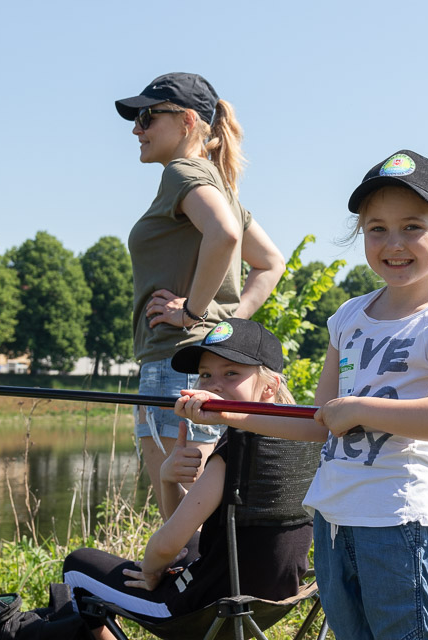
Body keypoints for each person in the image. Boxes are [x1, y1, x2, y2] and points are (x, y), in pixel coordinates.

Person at [177, 150, 428, 640]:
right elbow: (316, 421)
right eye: (377, 228)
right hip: (334, 518)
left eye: (412, 227)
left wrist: (359, 408)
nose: (393, 243)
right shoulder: (348, 318)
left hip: (399, 520)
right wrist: (230, 415)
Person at [63, 319, 313, 639]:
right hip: (273, 599)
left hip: (206, 608)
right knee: (190, 544)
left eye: (231, 373)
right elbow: (184, 528)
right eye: (206, 374)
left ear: (269, 386)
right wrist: (168, 479)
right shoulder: (305, 441)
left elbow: (167, 544)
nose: (213, 384)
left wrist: (151, 571)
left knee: (76, 564)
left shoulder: (239, 446)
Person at [115, 72, 285, 512]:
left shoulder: (182, 172)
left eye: (148, 116)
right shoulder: (222, 186)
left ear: (188, 120)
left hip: (177, 362)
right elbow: (270, 263)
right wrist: (224, 323)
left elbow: (225, 235)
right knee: (201, 516)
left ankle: (184, 580)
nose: (137, 128)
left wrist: (192, 314)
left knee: (181, 518)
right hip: (198, 362)